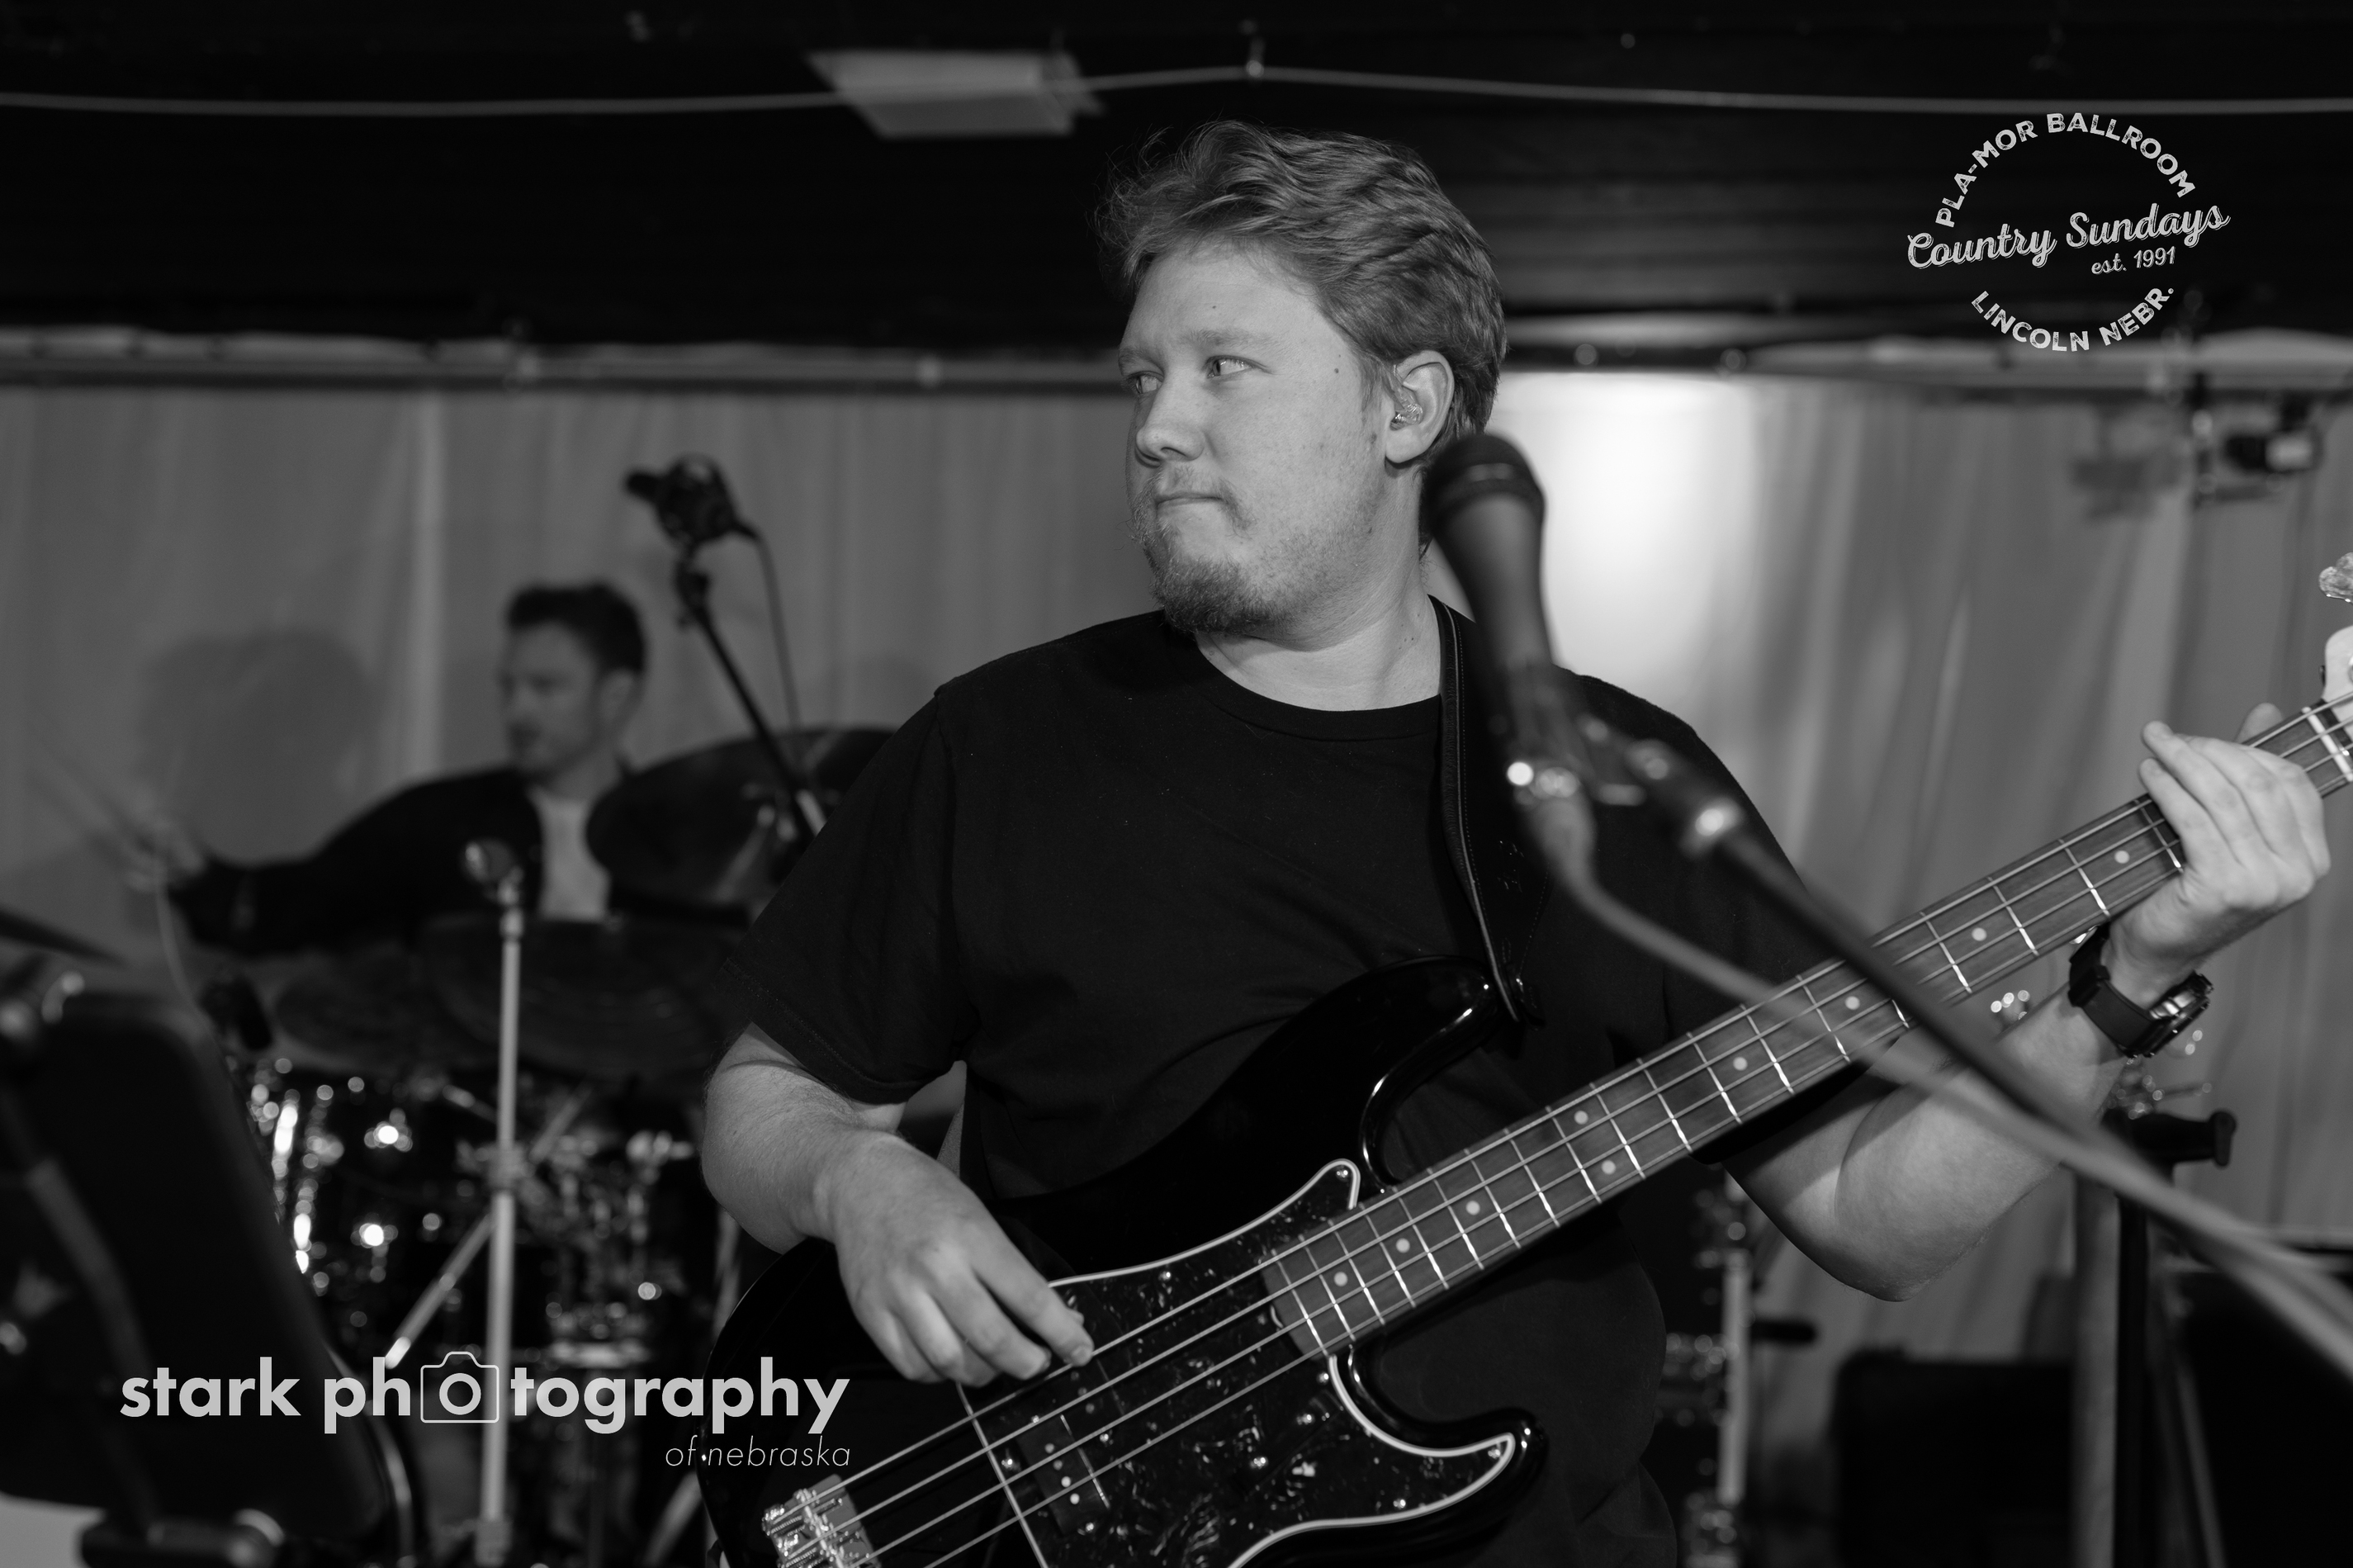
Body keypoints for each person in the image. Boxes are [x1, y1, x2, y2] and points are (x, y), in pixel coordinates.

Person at [700, 123, 2331, 1566]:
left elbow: (1868, 1212)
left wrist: (2129, 977)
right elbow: (761, 1100)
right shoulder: (1000, 744)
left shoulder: (1616, 790)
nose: (1156, 426)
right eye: (1143, 377)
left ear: (1407, 406)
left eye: (1224, 369)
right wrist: (856, 1176)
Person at [156, 581, 649, 952]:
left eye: (545, 687)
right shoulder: (440, 820)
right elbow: (303, 904)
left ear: (616, 695)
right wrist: (200, 876)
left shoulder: (676, 840)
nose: (516, 711)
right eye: (507, 687)